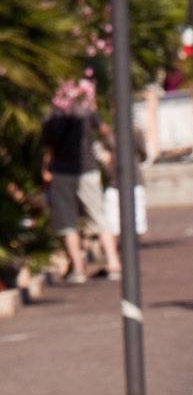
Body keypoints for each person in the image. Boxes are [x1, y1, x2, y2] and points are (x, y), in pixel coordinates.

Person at [41, 79, 122, 284]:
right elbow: (104, 131)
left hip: (62, 172)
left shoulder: (52, 117)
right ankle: (113, 263)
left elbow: (49, 149)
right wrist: (111, 149)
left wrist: (46, 170)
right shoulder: (86, 111)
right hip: (88, 170)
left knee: (68, 222)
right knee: (98, 216)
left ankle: (78, 269)